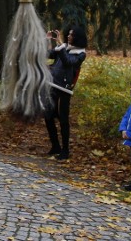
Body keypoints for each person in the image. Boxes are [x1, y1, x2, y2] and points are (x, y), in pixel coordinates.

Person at [43, 25, 87, 161]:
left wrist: (61, 45)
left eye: (72, 35)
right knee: (48, 116)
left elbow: (68, 63)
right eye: (69, 34)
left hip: (64, 89)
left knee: (63, 120)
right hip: (52, 85)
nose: (69, 36)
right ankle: (55, 145)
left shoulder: (80, 54)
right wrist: (46, 41)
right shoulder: (64, 48)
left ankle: (65, 150)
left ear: (77, 38)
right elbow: (48, 55)